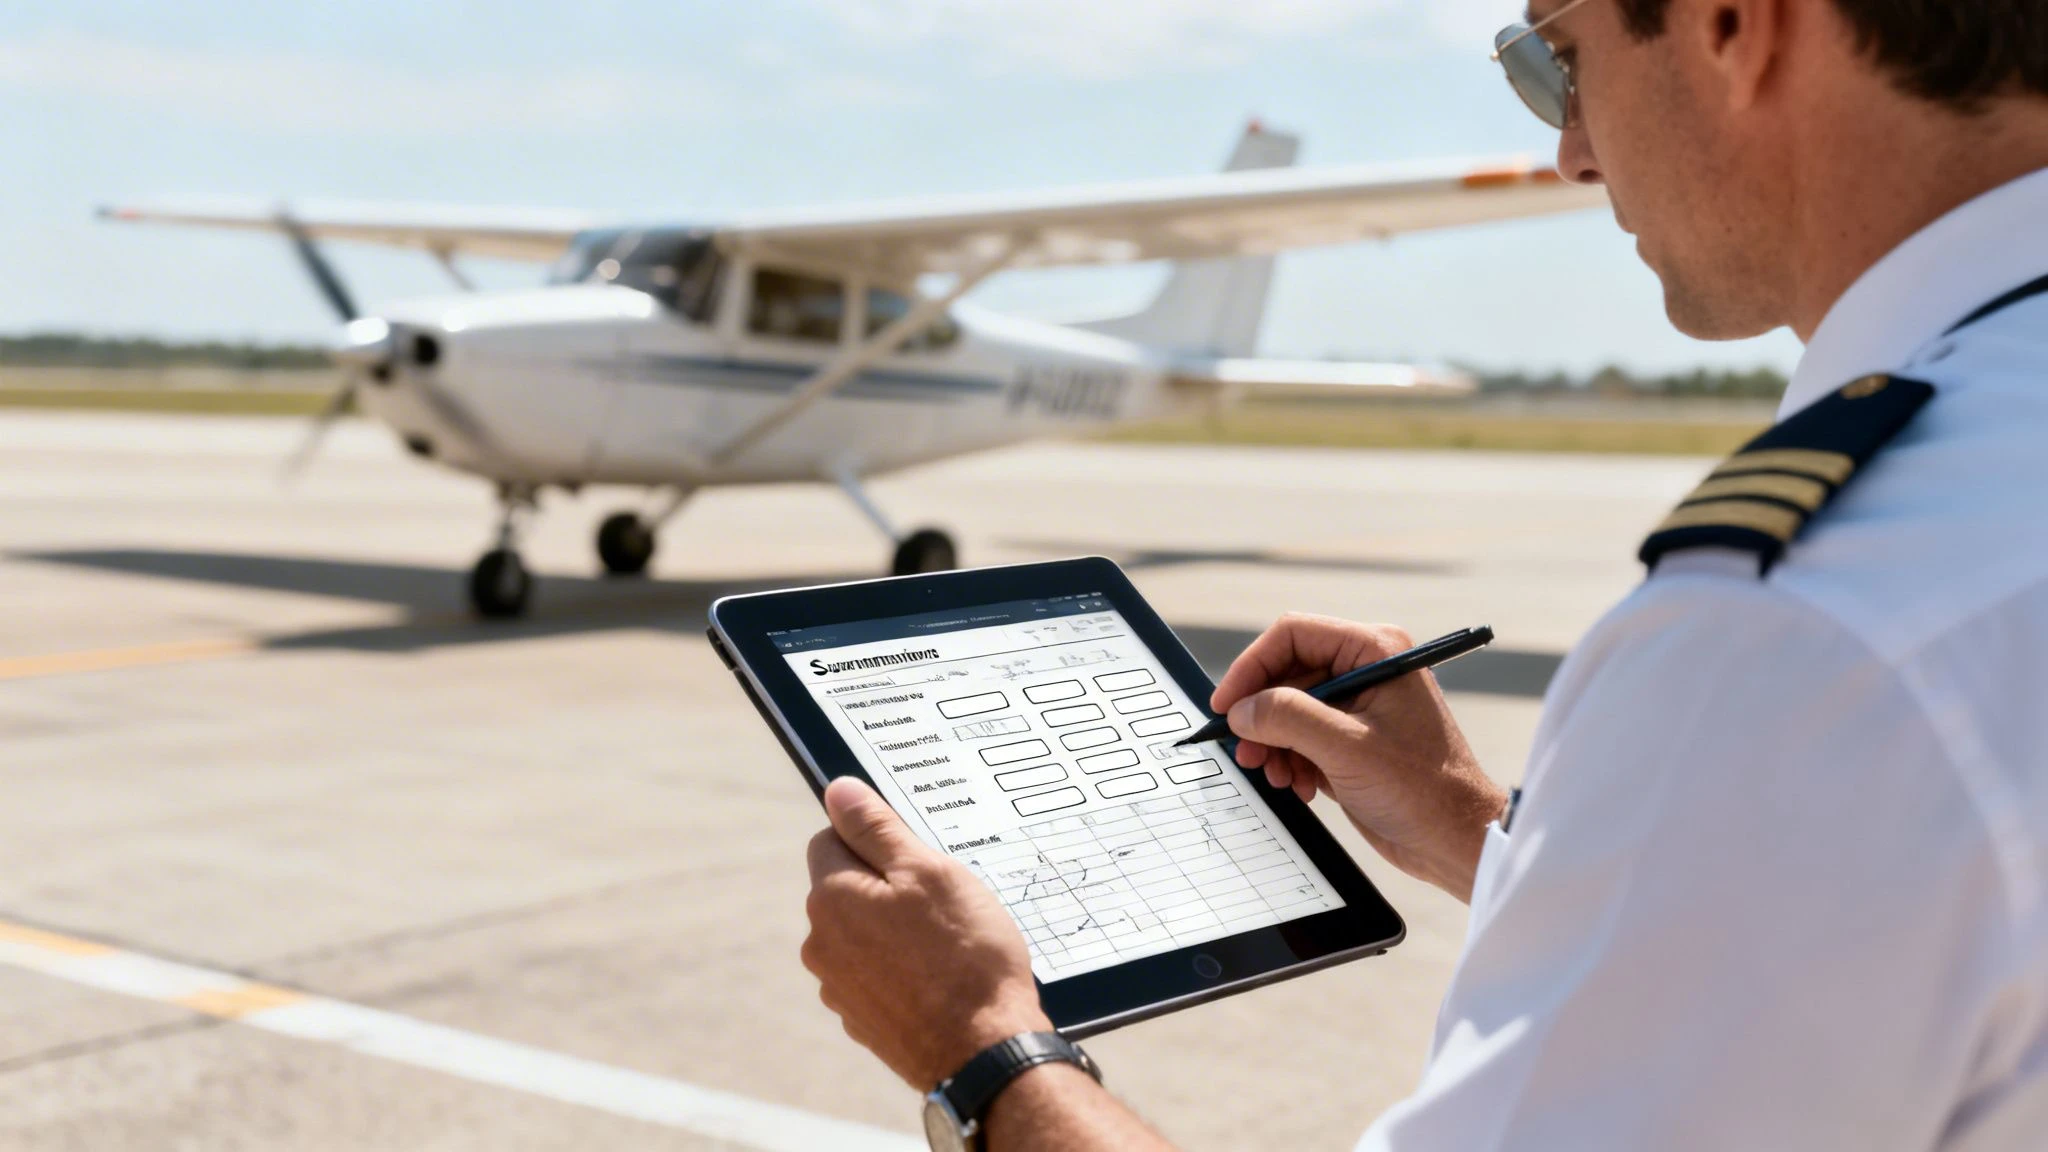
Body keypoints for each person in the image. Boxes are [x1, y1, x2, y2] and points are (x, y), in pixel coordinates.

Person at [800, 0, 2048, 1146]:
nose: (1569, 149)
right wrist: (1473, 825)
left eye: (1558, 57)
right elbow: (1858, 918)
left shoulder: (1800, 636)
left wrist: (981, 1052)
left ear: (1734, 23)